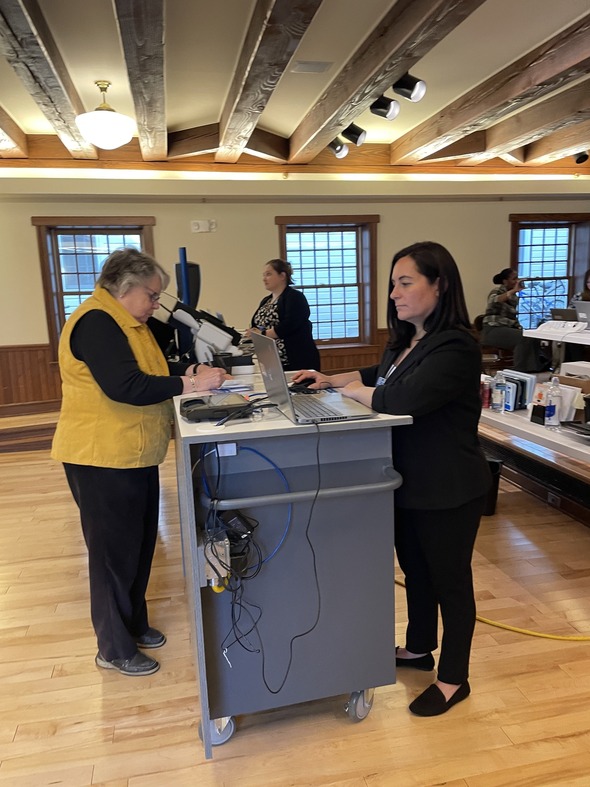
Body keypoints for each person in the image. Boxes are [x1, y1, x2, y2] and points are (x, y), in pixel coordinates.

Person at [292, 241, 491, 717]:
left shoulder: (457, 346)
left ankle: (453, 678)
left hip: (449, 488)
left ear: (439, 285)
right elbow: (381, 374)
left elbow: (401, 396)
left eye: (406, 283)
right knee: (417, 573)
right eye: (393, 285)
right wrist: (332, 378)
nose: (396, 294)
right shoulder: (408, 340)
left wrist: (362, 391)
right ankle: (419, 647)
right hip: (408, 482)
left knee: (450, 583)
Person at [51, 248, 227, 676]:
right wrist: (189, 383)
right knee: (112, 554)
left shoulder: (128, 323)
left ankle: (133, 624)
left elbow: (149, 367)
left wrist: (187, 369)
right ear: (126, 287)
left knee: (138, 545)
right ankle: (113, 648)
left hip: (133, 454)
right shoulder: (97, 322)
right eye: (152, 295)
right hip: (101, 457)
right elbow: (126, 385)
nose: (155, 305)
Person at [245, 258, 320, 371]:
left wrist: (262, 333)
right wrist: (253, 332)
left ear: (282, 276)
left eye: (269, 274)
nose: (264, 279)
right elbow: (256, 324)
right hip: (272, 360)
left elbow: (289, 325)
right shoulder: (266, 300)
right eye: (264, 275)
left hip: (295, 359)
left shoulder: (295, 297)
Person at [480, 268, 548, 373]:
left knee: (531, 337)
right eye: (514, 279)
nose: (517, 281)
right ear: (505, 281)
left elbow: (511, 318)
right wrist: (514, 290)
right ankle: (519, 370)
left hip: (506, 329)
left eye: (517, 278)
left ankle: (535, 368)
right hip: (492, 330)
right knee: (522, 338)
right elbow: (494, 300)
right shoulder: (497, 291)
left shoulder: (514, 297)